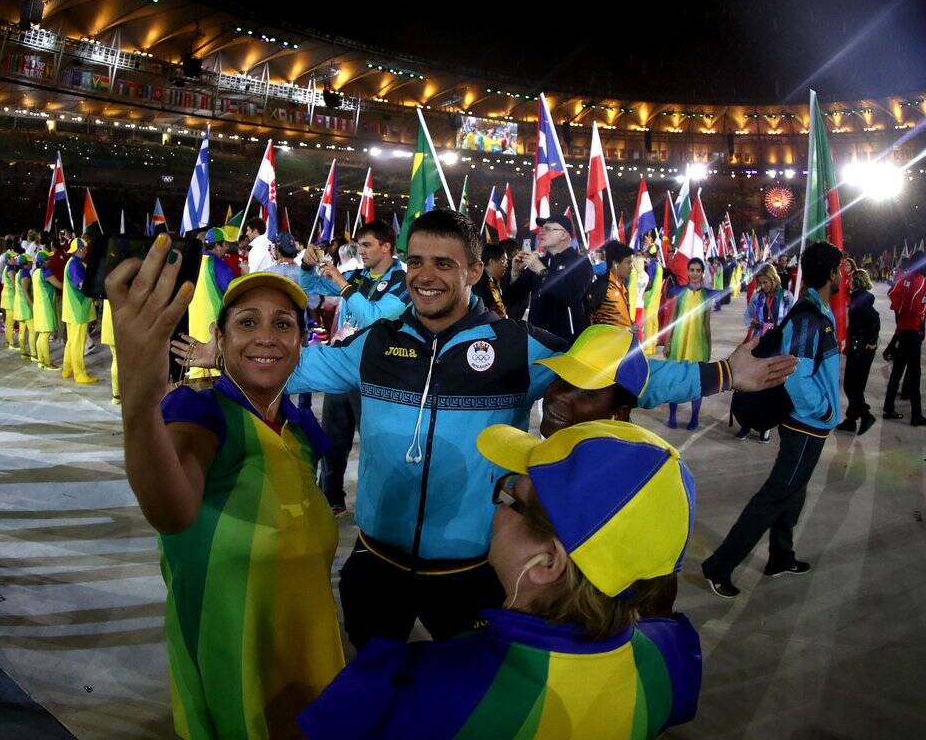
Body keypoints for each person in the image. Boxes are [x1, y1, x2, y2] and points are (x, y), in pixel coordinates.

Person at [178, 210, 796, 650]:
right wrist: (220, 351)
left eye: (444, 263)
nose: (426, 275)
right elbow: (289, 361)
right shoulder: (375, 344)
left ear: (474, 271)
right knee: (370, 687)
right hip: (375, 565)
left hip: (472, 574)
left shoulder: (515, 347)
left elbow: (618, 374)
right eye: (417, 260)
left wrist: (721, 373)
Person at [299, 419, 701, 740]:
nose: (497, 509)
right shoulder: (670, 657)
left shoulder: (405, 686)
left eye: (513, 499)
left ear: (548, 562)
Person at [110, 245, 344, 740]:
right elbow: (171, 509)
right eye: (247, 323)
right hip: (233, 676)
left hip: (312, 669)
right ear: (217, 337)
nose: (267, 337)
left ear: (303, 341)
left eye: (284, 325)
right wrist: (139, 403)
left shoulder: (302, 430)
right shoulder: (200, 414)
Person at [702, 241, 844, 599]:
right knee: (777, 494)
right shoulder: (810, 317)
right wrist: (824, 410)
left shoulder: (817, 311)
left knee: (793, 492)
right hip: (806, 424)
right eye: (838, 270)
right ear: (830, 274)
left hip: (810, 423)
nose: (841, 276)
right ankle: (719, 566)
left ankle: (781, 556)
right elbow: (797, 375)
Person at [298, 218, 409, 514]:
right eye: (359, 244)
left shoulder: (402, 283)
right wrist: (308, 266)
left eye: (367, 245)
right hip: (341, 367)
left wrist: (341, 282)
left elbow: (374, 316)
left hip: (374, 375)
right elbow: (307, 284)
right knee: (333, 439)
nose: (361, 250)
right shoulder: (359, 276)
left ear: (387, 247)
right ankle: (330, 498)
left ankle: (379, 507)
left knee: (374, 445)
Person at [506, 215, 593, 342]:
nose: (541, 232)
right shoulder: (540, 262)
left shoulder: (579, 262)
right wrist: (515, 273)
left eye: (547, 229)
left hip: (567, 341)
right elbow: (513, 299)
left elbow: (570, 296)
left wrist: (542, 271)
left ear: (563, 235)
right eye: (542, 228)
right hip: (537, 339)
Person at [735, 262, 794, 441]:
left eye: (766, 282)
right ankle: (746, 423)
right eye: (760, 282)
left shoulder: (786, 297)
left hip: (776, 348)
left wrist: (773, 327)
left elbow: (790, 322)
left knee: (770, 388)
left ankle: (765, 427)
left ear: (773, 279)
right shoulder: (757, 297)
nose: (763, 286)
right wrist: (756, 324)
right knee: (750, 386)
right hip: (759, 345)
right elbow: (747, 317)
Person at [663, 257, 714, 430]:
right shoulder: (680, 292)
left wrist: (709, 347)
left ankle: (694, 417)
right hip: (679, 342)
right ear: (688, 272)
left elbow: (707, 324)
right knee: (675, 379)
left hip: (698, 344)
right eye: (692, 270)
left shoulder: (707, 295)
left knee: (695, 382)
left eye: (698, 270)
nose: (694, 273)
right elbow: (673, 319)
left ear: (702, 273)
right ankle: (672, 416)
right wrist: (668, 342)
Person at [882, 250, 925, 425]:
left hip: (902, 329)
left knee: (897, 372)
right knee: (914, 374)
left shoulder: (904, 278)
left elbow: (892, 295)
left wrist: (901, 310)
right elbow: (917, 307)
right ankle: (916, 415)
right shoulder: (921, 281)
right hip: (913, 331)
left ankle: (889, 407)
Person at [839, 268, 880, 435]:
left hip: (861, 350)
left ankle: (864, 414)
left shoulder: (860, 300)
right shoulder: (859, 299)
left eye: (850, 279)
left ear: (856, 282)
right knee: (854, 386)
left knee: (852, 386)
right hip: (859, 348)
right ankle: (851, 420)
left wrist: (871, 340)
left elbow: (874, 318)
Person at [61, 238, 98, 384]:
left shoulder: (71, 263)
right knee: (78, 343)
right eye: (85, 248)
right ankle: (80, 374)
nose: (87, 251)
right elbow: (82, 285)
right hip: (78, 309)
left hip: (72, 309)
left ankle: (67, 369)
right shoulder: (76, 264)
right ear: (80, 249)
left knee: (72, 342)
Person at [588, 240, 634, 328]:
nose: (631, 266)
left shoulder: (623, 287)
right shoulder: (602, 286)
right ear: (615, 264)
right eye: (628, 262)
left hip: (626, 339)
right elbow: (590, 317)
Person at [32, 250, 61, 371]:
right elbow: (59, 285)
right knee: (45, 335)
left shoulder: (35, 272)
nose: (50, 261)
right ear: (43, 262)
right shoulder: (46, 272)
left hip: (38, 307)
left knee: (41, 335)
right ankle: (48, 363)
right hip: (46, 307)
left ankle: (40, 361)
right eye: (48, 259)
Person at [472, 243, 509, 318]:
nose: (506, 265)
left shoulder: (492, 281)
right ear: (491, 262)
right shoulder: (480, 283)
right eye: (503, 260)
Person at [14, 253, 35, 362]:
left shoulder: (19, 273)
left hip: (19, 305)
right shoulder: (25, 275)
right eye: (30, 262)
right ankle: (34, 354)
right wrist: (32, 306)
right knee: (32, 331)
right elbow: (26, 292)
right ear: (25, 264)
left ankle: (23, 352)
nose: (32, 263)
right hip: (25, 306)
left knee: (22, 330)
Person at [0, 251, 19, 351]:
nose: (16, 259)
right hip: (10, 297)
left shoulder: (7, 267)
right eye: (13, 258)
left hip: (6, 295)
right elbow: (14, 283)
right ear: (8, 259)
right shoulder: (10, 269)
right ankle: (11, 343)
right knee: (10, 321)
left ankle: (8, 341)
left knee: (8, 321)